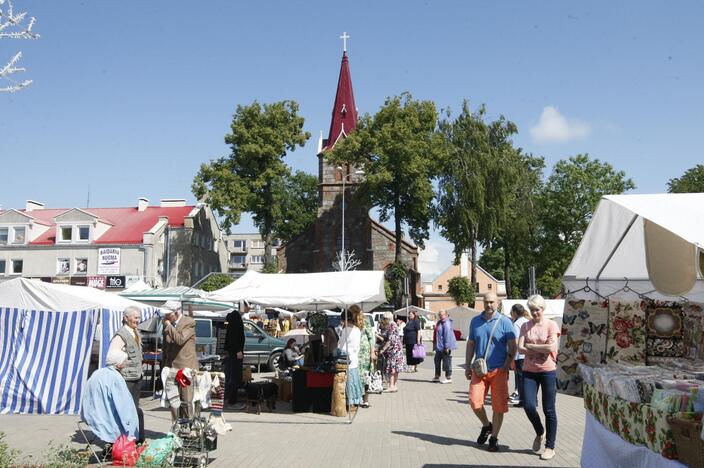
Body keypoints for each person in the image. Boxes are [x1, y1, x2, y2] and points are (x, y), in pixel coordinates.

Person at [465, 292, 517, 453]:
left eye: (492, 302)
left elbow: (513, 347)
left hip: (498, 371)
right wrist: (467, 365)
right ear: (483, 302)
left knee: (498, 407)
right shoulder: (475, 321)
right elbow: (471, 344)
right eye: (486, 302)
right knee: (474, 402)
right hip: (479, 370)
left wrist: (506, 365)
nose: (489, 305)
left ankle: (494, 438)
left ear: (498, 303)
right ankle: (487, 425)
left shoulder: (505, 322)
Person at [518, 294, 560, 461]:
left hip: (548, 371)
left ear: (543, 309)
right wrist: (539, 348)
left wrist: (530, 346)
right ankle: (539, 431)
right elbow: (520, 348)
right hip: (529, 371)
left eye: (538, 310)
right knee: (528, 405)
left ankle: (550, 446)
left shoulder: (551, 325)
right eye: (532, 310)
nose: (535, 313)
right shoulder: (525, 326)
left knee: (548, 409)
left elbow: (550, 347)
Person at [81, 349, 139, 443]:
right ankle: (134, 446)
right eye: (125, 361)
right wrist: (130, 428)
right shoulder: (115, 377)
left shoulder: (97, 373)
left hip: (91, 416)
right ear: (119, 364)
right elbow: (124, 405)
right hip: (105, 419)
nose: (127, 363)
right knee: (137, 413)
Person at [108, 306, 144, 443]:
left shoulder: (135, 332)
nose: (137, 320)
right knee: (125, 410)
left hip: (136, 377)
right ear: (126, 318)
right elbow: (111, 356)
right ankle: (121, 441)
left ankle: (133, 439)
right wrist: (122, 363)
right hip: (126, 378)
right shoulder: (121, 335)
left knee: (133, 410)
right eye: (135, 317)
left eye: (138, 317)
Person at [161, 300, 198, 421]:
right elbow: (166, 347)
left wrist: (169, 327)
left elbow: (180, 339)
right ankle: (175, 428)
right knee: (173, 402)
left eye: (168, 314)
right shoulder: (167, 324)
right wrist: (165, 366)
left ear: (176, 312)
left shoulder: (189, 322)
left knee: (186, 401)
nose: (166, 316)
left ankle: (188, 427)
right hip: (171, 367)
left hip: (186, 367)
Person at [337, 308, 364, 407]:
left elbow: (341, 346)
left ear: (344, 320)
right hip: (354, 357)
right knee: (354, 380)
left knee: (348, 381)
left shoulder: (345, 330)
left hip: (346, 358)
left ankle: (350, 402)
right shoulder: (357, 329)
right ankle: (356, 400)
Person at [224, 301, 247, 410]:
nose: (250, 308)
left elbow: (227, 328)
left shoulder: (233, 317)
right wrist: (238, 350)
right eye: (248, 306)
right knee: (234, 376)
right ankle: (231, 401)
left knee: (232, 376)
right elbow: (233, 335)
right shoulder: (235, 317)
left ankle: (229, 399)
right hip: (235, 352)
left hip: (233, 351)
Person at [352, 305, 375, 408]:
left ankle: (366, 399)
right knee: (357, 375)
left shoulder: (365, 321)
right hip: (355, 351)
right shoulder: (351, 322)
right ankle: (358, 398)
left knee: (365, 376)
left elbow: (371, 338)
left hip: (364, 352)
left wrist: (372, 352)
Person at [509, 304, 531, 408]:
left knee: (521, 379)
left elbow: (516, 341)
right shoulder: (527, 321)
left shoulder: (516, 324)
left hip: (519, 355)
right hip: (528, 354)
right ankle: (531, 399)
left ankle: (523, 400)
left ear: (514, 312)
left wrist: (512, 358)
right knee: (528, 379)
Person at [378, 312, 404, 392]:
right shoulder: (394, 324)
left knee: (392, 368)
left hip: (394, 349)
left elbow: (390, 340)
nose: (384, 320)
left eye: (384, 319)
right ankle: (394, 385)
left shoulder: (392, 325)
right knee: (396, 368)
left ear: (387, 319)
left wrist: (383, 349)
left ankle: (391, 386)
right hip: (397, 348)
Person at [432, 309, 457, 383]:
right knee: (437, 360)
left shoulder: (446, 323)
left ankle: (448, 377)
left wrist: (447, 346)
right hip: (439, 346)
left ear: (446, 315)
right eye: (440, 315)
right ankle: (437, 376)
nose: (441, 316)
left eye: (442, 315)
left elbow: (447, 335)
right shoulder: (439, 322)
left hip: (445, 346)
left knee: (447, 361)